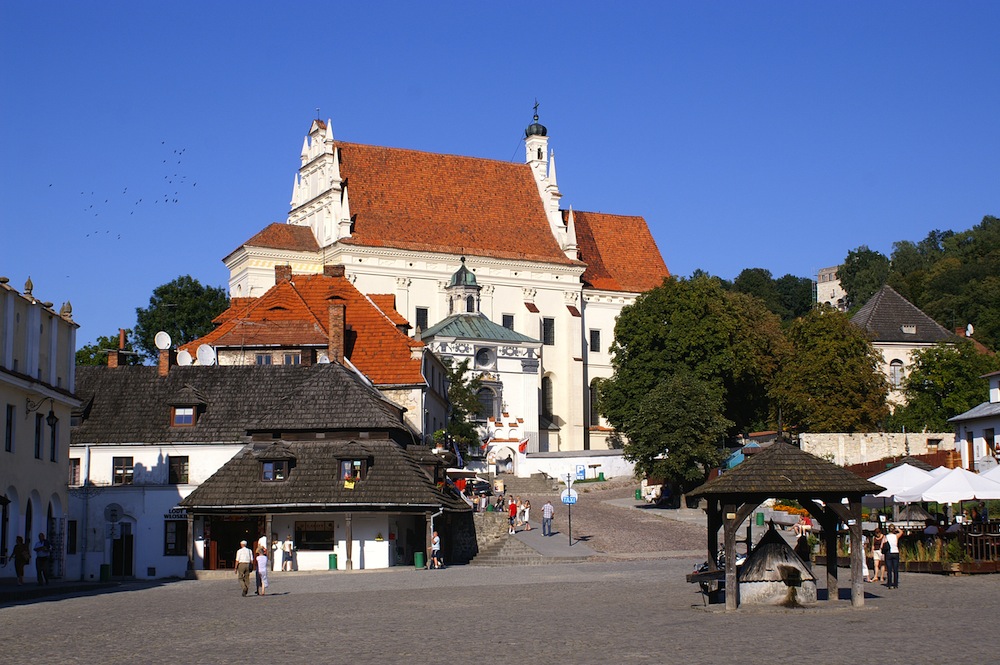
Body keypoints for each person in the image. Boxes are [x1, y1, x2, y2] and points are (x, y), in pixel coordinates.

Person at [884, 524, 901, 589]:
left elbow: (883, 544)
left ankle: (890, 583)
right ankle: (895, 584)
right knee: (895, 569)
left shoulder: (886, 536)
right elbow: (901, 532)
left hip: (889, 552)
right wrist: (897, 528)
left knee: (889, 569)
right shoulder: (896, 536)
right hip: (896, 552)